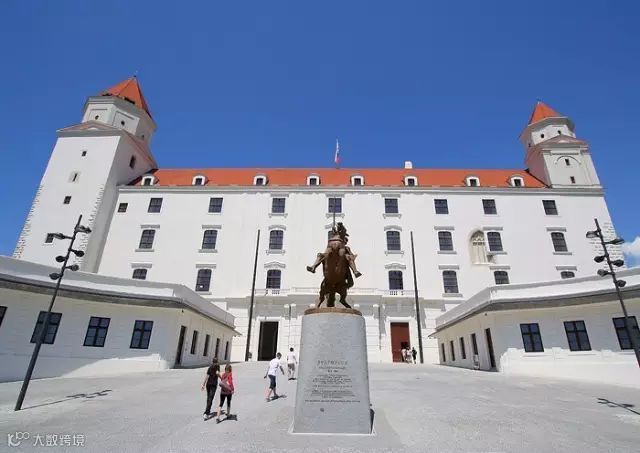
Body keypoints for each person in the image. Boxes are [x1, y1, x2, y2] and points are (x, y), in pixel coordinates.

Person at [307, 223, 362, 287]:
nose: (345, 242)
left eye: (346, 241)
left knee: (349, 258)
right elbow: (327, 251)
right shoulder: (336, 242)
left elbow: (350, 254)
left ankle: (355, 271)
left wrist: (351, 256)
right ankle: (313, 267)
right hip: (333, 255)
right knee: (320, 255)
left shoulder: (347, 248)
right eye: (345, 240)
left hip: (343, 261)